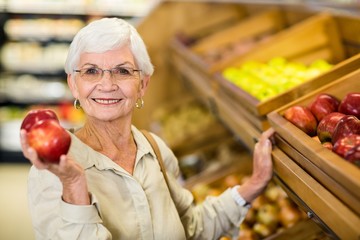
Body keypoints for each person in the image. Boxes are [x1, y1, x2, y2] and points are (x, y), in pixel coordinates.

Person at [20, 17, 275, 240]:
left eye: (122, 70)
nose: (106, 84)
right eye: (91, 71)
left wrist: (253, 184)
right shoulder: (52, 173)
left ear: (142, 84)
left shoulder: (155, 150)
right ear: (74, 84)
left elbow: (193, 230)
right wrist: (75, 189)